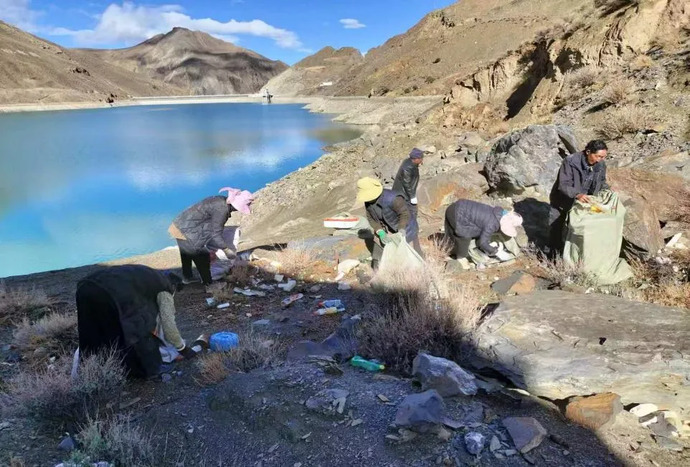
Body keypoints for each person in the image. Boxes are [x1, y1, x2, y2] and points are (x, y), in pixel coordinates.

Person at [76, 265, 195, 378]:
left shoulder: (147, 277)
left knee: (91, 331)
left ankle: (85, 371)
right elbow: (168, 323)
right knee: (138, 329)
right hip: (109, 293)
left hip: (86, 286)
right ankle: (149, 370)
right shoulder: (165, 287)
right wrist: (183, 349)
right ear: (174, 286)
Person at [169, 187, 253, 285]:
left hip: (178, 225)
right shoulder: (222, 210)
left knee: (186, 254)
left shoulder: (221, 200)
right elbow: (215, 234)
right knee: (202, 257)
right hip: (187, 230)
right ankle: (208, 284)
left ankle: (187, 277)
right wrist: (226, 249)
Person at [549, 140, 610, 254]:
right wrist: (577, 194)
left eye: (603, 157)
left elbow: (601, 181)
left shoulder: (600, 164)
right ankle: (552, 255)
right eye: (598, 156)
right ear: (588, 152)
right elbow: (564, 184)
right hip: (563, 200)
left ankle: (573, 255)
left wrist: (608, 192)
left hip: (583, 202)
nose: (600, 160)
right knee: (556, 228)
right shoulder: (571, 161)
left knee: (578, 230)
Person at [357, 177, 422, 268]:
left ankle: (422, 271)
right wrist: (380, 231)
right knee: (389, 255)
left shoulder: (393, 198)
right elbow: (371, 218)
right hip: (388, 230)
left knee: (413, 255)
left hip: (406, 228)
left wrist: (401, 229)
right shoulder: (368, 202)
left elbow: (404, 214)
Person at [444, 199, 523, 264]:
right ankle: (458, 257)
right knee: (463, 242)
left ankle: (448, 246)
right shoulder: (492, 224)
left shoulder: (499, 213)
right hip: (457, 214)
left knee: (454, 234)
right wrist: (495, 251)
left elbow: (483, 231)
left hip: (457, 206)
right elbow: (483, 243)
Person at [392, 148, 424, 214]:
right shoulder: (407, 168)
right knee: (411, 211)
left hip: (405, 193)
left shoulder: (411, 163)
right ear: (416, 159)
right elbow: (406, 183)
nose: (422, 160)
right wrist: (412, 196)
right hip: (403, 194)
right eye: (421, 158)